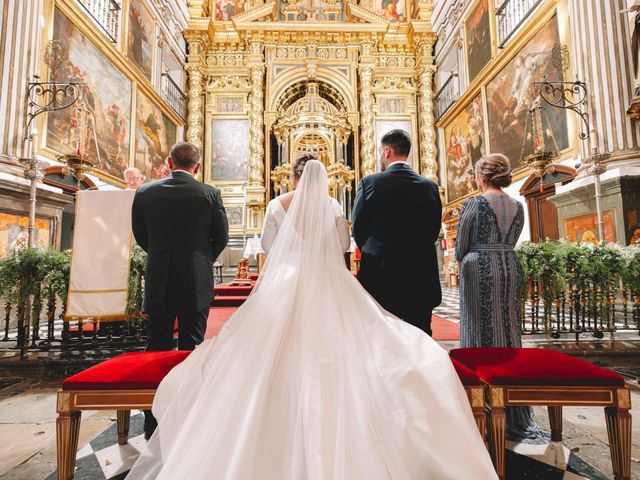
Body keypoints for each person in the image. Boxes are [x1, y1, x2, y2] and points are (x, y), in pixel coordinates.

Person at [127, 160, 497, 480]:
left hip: (286, 280)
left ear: (293, 178)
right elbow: (341, 246)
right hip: (327, 279)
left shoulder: (277, 204)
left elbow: (271, 247)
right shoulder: (334, 203)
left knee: (267, 351)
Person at [131, 142, 229, 439]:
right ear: (197, 167)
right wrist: (201, 258)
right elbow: (221, 237)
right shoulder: (209, 193)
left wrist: (161, 255)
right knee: (192, 346)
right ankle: (188, 414)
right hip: (196, 278)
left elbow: (141, 234)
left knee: (156, 345)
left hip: (160, 274)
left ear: (169, 162)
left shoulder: (145, 192)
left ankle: (152, 420)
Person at [455, 153, 549, 444]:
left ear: (481, 177)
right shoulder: (517, 205)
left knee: (477, 329)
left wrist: (465, 258)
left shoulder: (475, 203)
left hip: (479, 265)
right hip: (509, 265)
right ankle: (513, 405)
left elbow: (461, 244)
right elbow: (515, 237)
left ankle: (481, 402)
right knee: (508, 329)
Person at [352, 129, 442, 336]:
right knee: (420, 332)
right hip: (420, 270)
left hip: (381, 271)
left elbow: (358, 228)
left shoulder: (370, 183)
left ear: (387, 151)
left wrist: (375, 248)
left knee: (382, 331)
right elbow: (433, 229)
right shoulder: (430, 186)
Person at [261, 154, 350, 254]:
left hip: (288, 268)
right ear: (319, 177)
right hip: (324, 268)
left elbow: (267, 244)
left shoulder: (276, 205)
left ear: (294, 178)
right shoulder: (333, 205)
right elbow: (344, 244)